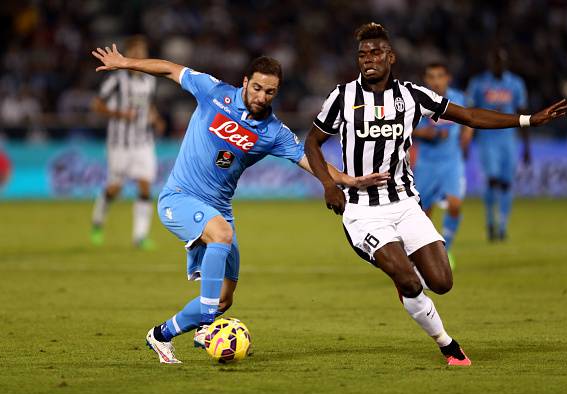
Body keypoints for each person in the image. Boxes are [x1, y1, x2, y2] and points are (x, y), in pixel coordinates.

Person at [92, 43, 389, 364]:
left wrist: (345, 180)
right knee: (220, 238)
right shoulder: (213, 91)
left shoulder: (273, 132)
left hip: (220, 209)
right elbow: (169, 69)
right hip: (179, 197)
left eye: (270, 92)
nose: (262, 96)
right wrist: (125, 63)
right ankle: (206, 325)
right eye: (258, 87)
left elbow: (309, 160)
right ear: (245, 82)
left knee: (224, 298)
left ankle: (161, 335)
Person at [304, 22, 567, 366]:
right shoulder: (342, 97)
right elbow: (312, 140)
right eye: (362, 54)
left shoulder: (414, 96)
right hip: (362, 212)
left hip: (405, 204)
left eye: (375, 53)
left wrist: (527, 120)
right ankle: (447, 344)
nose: (368, 59)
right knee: (408, 279)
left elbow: (470, 116)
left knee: (442, 283)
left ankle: (409, 285)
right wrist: (328, 183)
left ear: (391, 57)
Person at [90, 35, 166, 249]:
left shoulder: (149, 81)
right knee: (115, 188)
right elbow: (96, 105)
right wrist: (119, 114)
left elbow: (147, 105)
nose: (140, 56)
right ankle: (97, 221)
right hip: (119, 143)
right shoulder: (116, 80)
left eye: (143, 52)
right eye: (136, 52)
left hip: (143, 142)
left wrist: (157, 118)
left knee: (145, 185)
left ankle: (139, 237)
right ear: (127, 55)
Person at [412, 62, 473, 268]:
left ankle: (445, 250)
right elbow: (405, 128)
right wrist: (424, 133)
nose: (436, 81)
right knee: (423, 214)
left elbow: (469, 120)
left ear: (448, 78)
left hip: (451, 162)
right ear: (426, 80)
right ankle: (422, 254)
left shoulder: (458, 98)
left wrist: (467, 136)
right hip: (427, 164)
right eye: (431, 77)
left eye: (440, 76)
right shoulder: (418, 100)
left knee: (455, 204)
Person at [466, 48, 529, 241]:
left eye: (501, 61)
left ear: (506, 63)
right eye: (495, 62)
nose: (498, 65)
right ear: (490, 63)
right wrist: (466, 141)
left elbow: (523, 114)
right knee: (492, 181)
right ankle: (490, 223)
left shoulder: (516, 84)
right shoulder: (478, 83)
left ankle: (502, 226)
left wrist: (527, 146)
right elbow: (469, 114)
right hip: (487, 140)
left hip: (509, 140)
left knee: (506, 183)